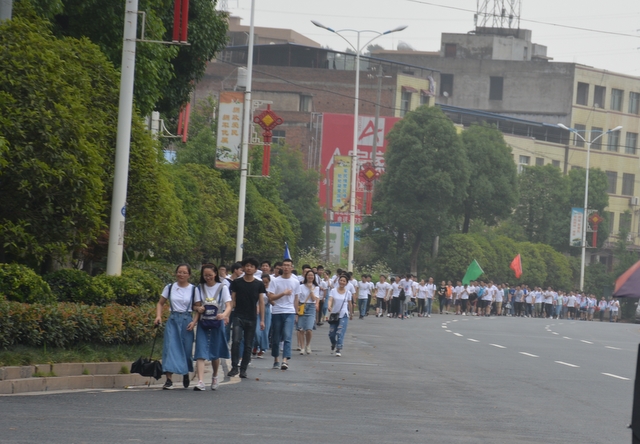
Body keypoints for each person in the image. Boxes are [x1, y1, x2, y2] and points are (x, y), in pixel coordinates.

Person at [154, 264, 202, 390]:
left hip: (187, 320)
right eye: (179, 272)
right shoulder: (170, 287)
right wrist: (158, 316)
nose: (181, 275)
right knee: (169, 348)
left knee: (186, 350)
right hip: (173, 320)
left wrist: (194, 322)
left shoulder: (193, 289)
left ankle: (185, 373)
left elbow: (198, 307)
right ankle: (169, 380)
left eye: (184, 272)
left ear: (189, 275)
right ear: (176, 273)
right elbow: (160, 303)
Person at [193, 264, 231, 391]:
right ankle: (200, 381)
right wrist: (198, 309)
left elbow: (229, 305)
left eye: (210, 275)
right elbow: (196, 305)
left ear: (215, 274)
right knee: (200, 351)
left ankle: (215, 375)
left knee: (215, 351)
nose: (208, 277)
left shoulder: (222, 287)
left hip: (216, 323)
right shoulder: (199, 288)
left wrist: (224, 315)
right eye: (205, 275)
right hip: (203, 323)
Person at [228, 258, 266, 379]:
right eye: (247, 266)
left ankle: (243, 369)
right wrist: (227, 314)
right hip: (238, 316)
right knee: (236, 341)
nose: (249, 268)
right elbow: (232, 299)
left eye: (252, 266)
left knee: (248, 344)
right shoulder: (237, 282)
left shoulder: (259, 284)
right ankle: (234, 367)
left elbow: (261, 302)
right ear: (243, 267)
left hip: (252, 317)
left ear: (255, 269)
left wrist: (262, 320)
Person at [268, 258, 300, 371]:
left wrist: (296, 313)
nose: (286, 267)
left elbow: (296, 298)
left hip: (290, 311)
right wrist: (283, 293)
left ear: (292, 268)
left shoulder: (295, 282)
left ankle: (285, 360)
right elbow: (270, 297)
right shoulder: (275, 281)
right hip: (277, 311)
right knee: (276, 337)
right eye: (284, 265)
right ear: (282, 267)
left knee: (287, 335)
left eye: (288, 265)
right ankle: (276, 359)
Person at [327, 275, 353, 357]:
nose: (342, 282)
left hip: (344, 314)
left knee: (340, 331)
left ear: (346, 283)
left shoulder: (348, 293)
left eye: (344, 281)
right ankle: (333, 343)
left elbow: (350, 304)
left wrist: (351, 313)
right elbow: (330, 299)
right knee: (331, 333)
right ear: (338, 281)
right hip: (334, 314)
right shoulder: (333, 291)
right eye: (341, 280)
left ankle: (338, 348)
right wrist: (329, 306)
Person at [297, 270, 319, 355]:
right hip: (302, 306)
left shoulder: (316, 287)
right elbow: (298, 298)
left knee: (309, 329)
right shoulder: (301, 286)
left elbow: (314, 299)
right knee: (301, 329)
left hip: (311, 307)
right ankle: (302, 347)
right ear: (306, 276)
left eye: (312, 275)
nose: (310, 277)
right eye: (309, 275)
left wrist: (311, 289)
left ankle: (308, 345)